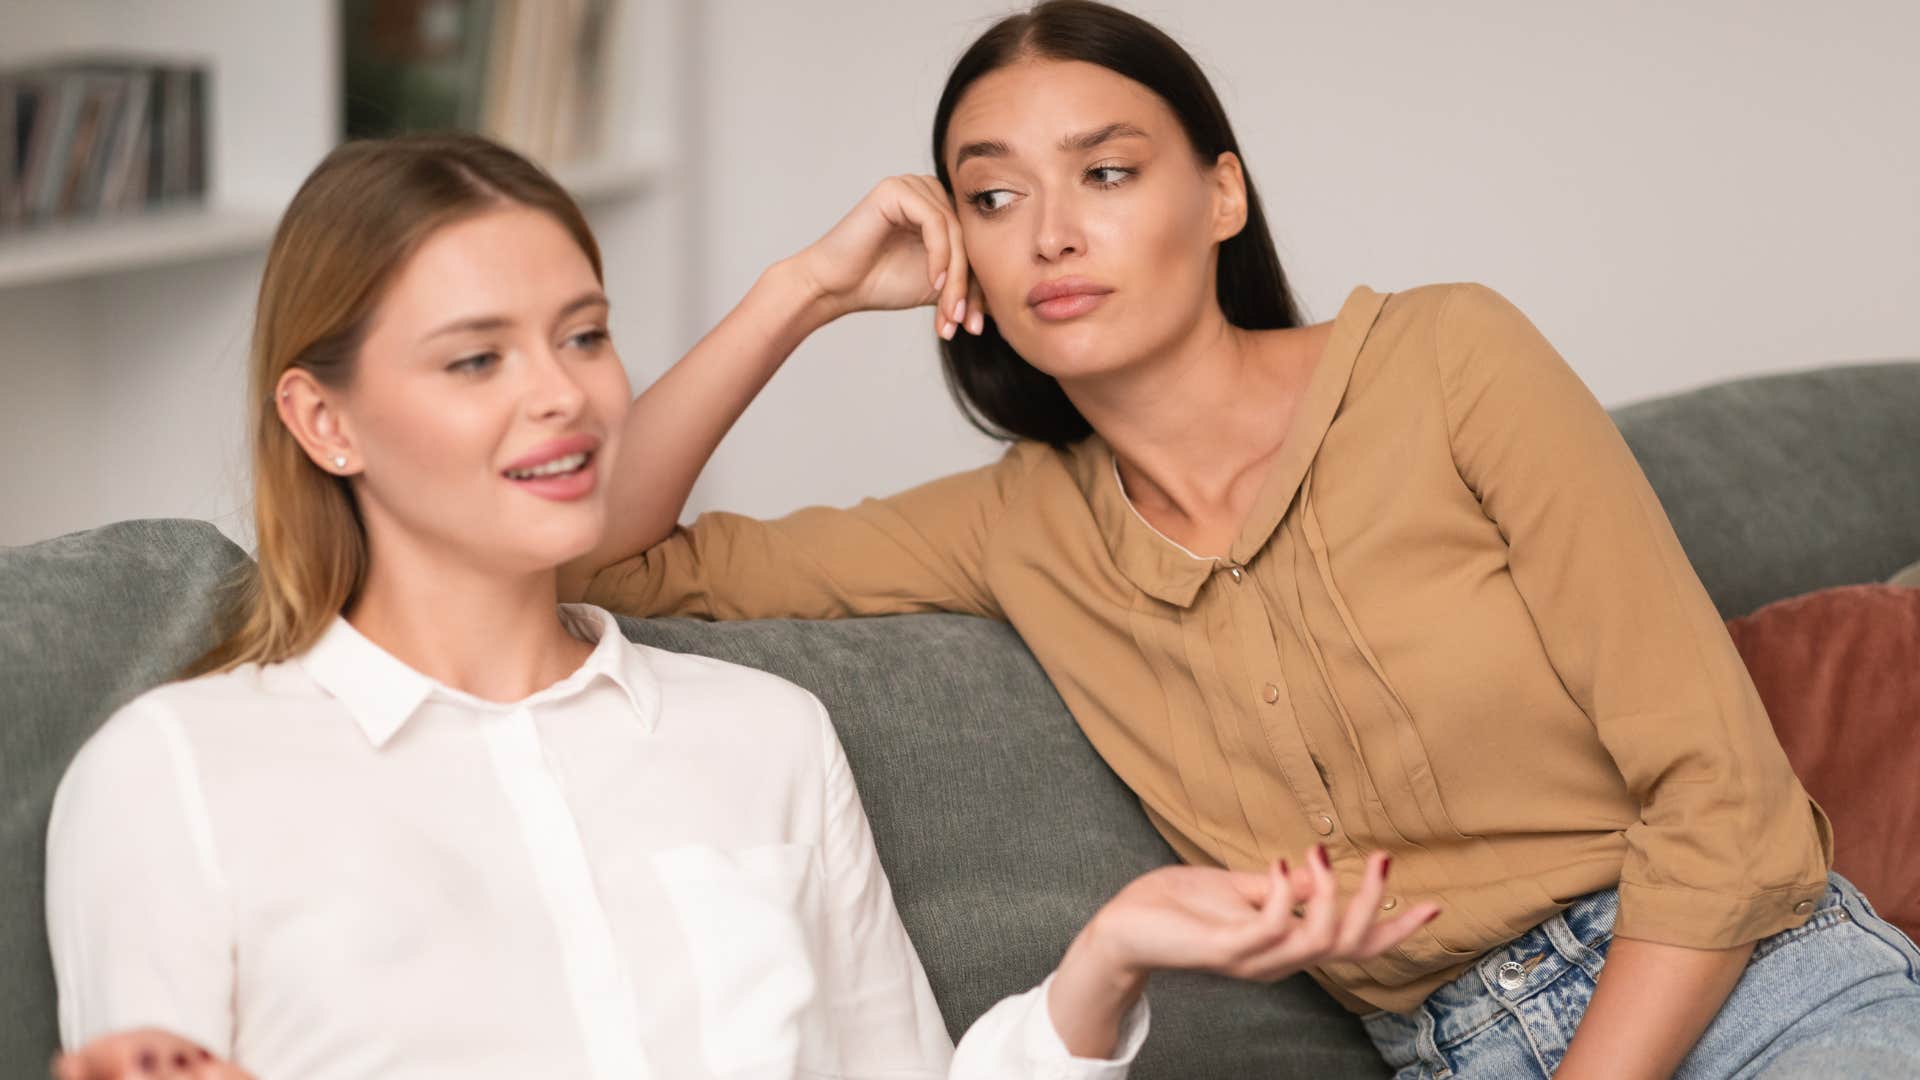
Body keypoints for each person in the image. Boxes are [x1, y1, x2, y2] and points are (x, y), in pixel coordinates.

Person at [568, 2, 1920, 1076]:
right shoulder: (1014, 528)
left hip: (1759, 998)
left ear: (1221, 197)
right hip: (1453, 1051)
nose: (1050, 233)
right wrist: (797, 294)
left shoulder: (1451, 362)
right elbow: (595, 556)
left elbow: (1727, 808)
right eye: (990, 199)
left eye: (1105, 172)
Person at [46, 130, 1434, 1080]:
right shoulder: (174, 778)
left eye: (585, 333)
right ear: (324, 421)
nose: (564, 394)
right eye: (476, 360)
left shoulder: (759, 736)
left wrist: (1111, 955)